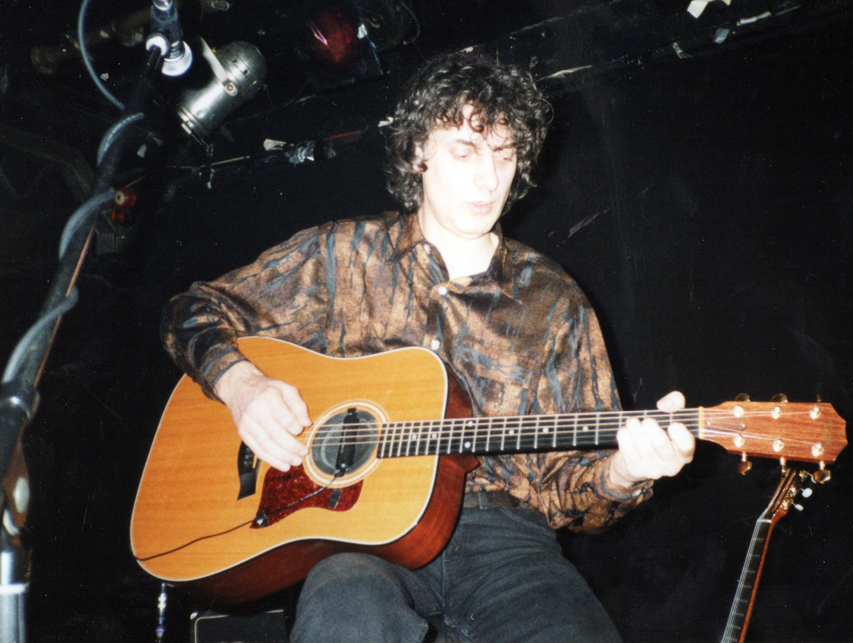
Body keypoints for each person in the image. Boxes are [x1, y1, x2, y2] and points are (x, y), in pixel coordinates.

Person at [161, 53, 695, 643]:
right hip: (358, 543)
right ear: (419, 152)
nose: (489, 180)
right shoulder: (344, 255)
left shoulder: (555, 300)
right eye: (465, 152)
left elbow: (570, 490)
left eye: (504, 155)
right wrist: (242, 385)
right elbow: (191, 310)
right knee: (345, 611)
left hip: (508, 546)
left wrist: (625, 471)